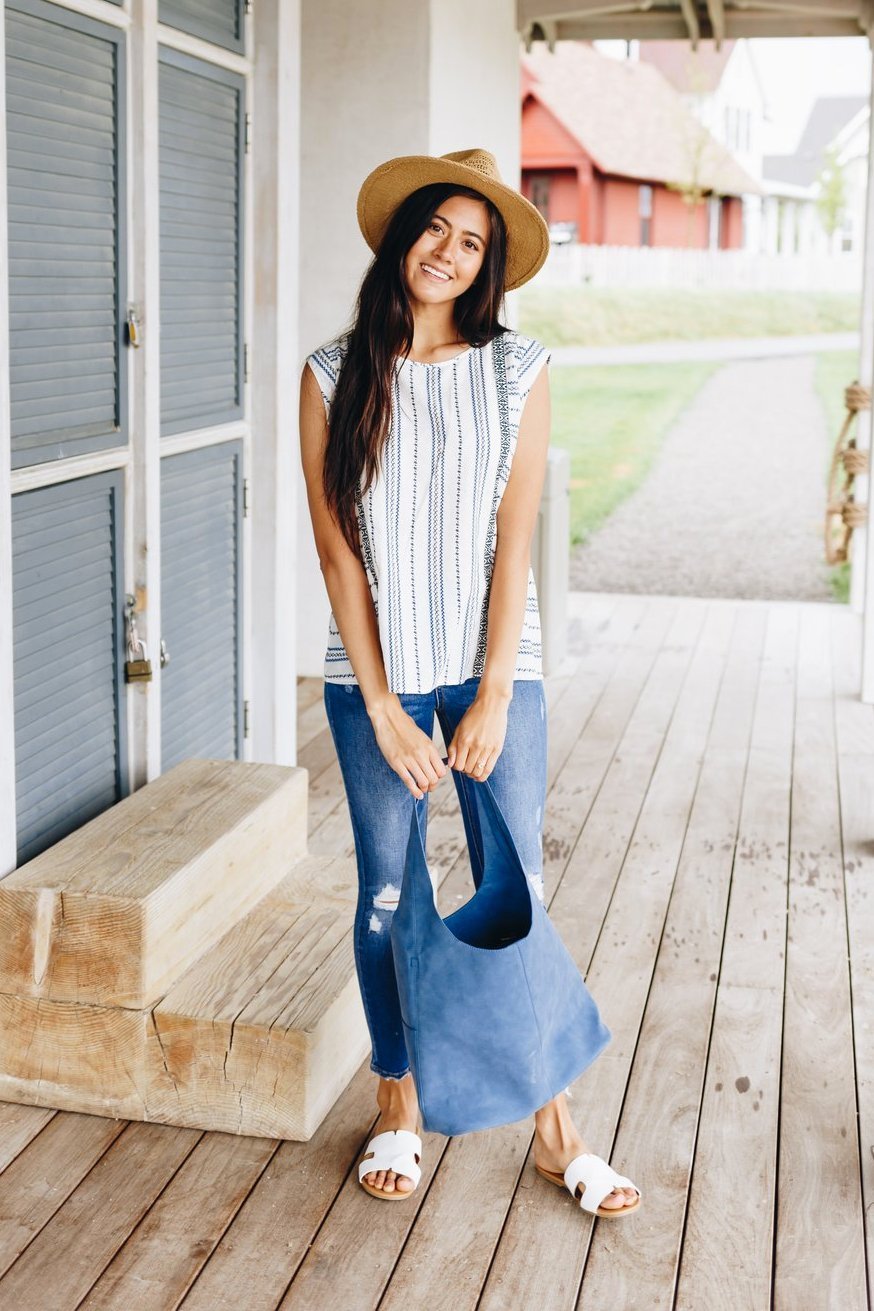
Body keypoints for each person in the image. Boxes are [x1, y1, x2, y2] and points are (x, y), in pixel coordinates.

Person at [299, 148, 640, 1217]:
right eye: (433, 229)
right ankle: (397, 1105)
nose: (447, 252)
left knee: (514, 888)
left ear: (487, 262)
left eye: (472, 239)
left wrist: (492, 693)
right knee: (386, 896)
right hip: (374, 686)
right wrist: (389, 703)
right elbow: (337, 554)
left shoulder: (517, 368)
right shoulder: (328, 372)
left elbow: (516, 539)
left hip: (498, 670)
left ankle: (556, 1128)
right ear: (401, 238)